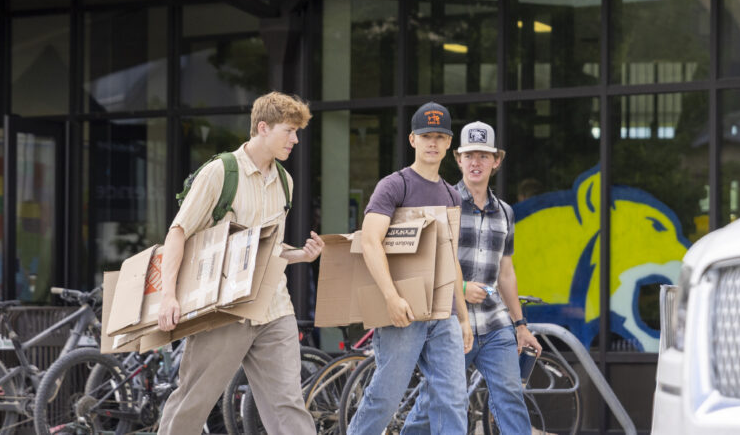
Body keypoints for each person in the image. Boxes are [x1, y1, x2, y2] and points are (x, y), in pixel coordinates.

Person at [155, 92, 322, 434]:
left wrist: (300, 256)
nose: (295, 139)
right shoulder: (220, 173)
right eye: (289, 131)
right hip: (223, 309)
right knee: (193, 401)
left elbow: (267, 250)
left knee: (288, 404)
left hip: (274, 308)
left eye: (297, 132)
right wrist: (168, 296)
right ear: (263, 127)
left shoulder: (285, 182)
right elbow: (178, 233)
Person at [401, 121, 541, 434]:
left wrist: (520, 326)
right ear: (459, 159)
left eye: (483, 155)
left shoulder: (505, 212)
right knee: (433, 401)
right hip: (451, 325)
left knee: (511, 397)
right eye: (469, 155)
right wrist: (460, 287)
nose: (476, 162)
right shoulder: (443, 202)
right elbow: (425, 262)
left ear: (497, 161)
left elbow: (506, 272)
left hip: (494, 325)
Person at [347, 102, 475, 435]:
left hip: (443, 313)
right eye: (425, 135)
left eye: (439, 136)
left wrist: (462, 316)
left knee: (452, 399)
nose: (432, 142)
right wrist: (391, 297)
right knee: (385, 399)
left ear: (449, 144)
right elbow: (371, 242)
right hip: (402, 310)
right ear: (412, 139)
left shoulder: (452, 196)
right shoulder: (394, 186)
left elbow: (450, 259)